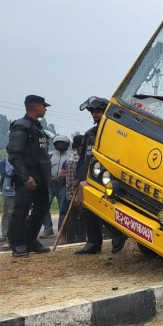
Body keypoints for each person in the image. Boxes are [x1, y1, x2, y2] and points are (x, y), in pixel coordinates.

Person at [76, 97, 127, 255]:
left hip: (110, 180)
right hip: (90, 178)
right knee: (87, 209)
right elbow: (83, 159)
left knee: (107, 208)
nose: (95, 114)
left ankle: (118, 234)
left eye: (98, 111)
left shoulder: (118, 133)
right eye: (92, 112)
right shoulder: (89, 134)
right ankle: (93, 243)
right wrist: (79, 180)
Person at [6, 95, 53, 257]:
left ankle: (30, 240)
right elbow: (14, 155)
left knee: (41, 210)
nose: (45, 109)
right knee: (21, 211)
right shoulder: (21, 126)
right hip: (27, 177)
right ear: (36, 107)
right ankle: (18, 245)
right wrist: (26, 177)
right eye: (43, 106)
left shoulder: (37, 127)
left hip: (41, 177)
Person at [61, 135, 86, 244]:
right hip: (74, 195)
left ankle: (82, 240)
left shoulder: (86, 158)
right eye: (81, 146)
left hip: (84, 194)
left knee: (83, 220)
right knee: (73, 218)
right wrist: (74, 198)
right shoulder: (72, 161)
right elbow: (70, 182)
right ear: (76, 147)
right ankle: (71, 241)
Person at [0, 157, 17, 248]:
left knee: (13, 212)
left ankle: (12, 235)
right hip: (6, 189)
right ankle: (4, 234)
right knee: (6, 212)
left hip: (17, 190)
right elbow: (5, 174)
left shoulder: (19, 161)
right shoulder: (2, 163)